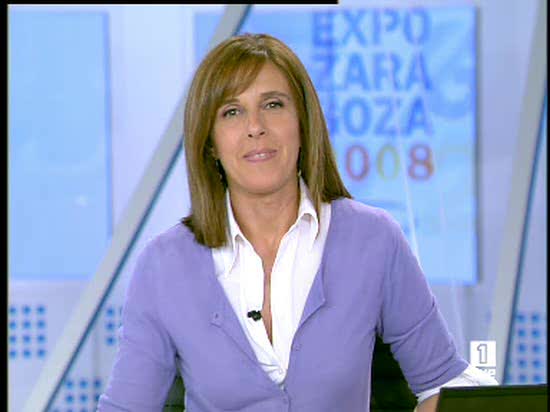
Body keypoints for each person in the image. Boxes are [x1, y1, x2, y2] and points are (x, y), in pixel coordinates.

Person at [98, 33, 497, 412]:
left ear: (303, 123)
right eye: (232, 112)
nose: (255, 127)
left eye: (273, 105)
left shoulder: (373, 240)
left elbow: (444, 384)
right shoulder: (165, 264)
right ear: (211, 143)